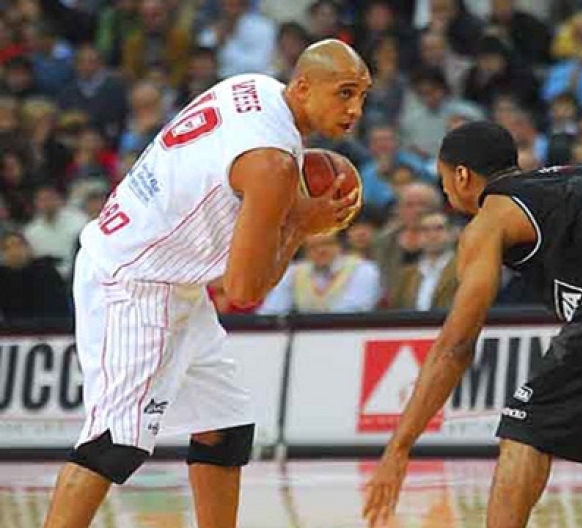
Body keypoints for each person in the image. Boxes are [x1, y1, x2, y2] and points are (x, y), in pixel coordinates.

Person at [43, 39, 370, 528]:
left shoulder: (253, 86)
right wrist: (298, 224)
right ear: (303, 87)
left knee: (226, 429)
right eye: (344, 93)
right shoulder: (273, 164)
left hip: (168, 274)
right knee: (112, 445)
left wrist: (284, 207)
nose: (355, 109)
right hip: (136, 282)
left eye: (362, 95)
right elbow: (243, 292)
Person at [363, 120, 582, 527]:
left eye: (444, 178)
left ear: (462, 175)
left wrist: (398, 447)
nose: (445, 190)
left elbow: (456, 345)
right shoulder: (580, 177)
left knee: (526, 426)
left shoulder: (490, 219)